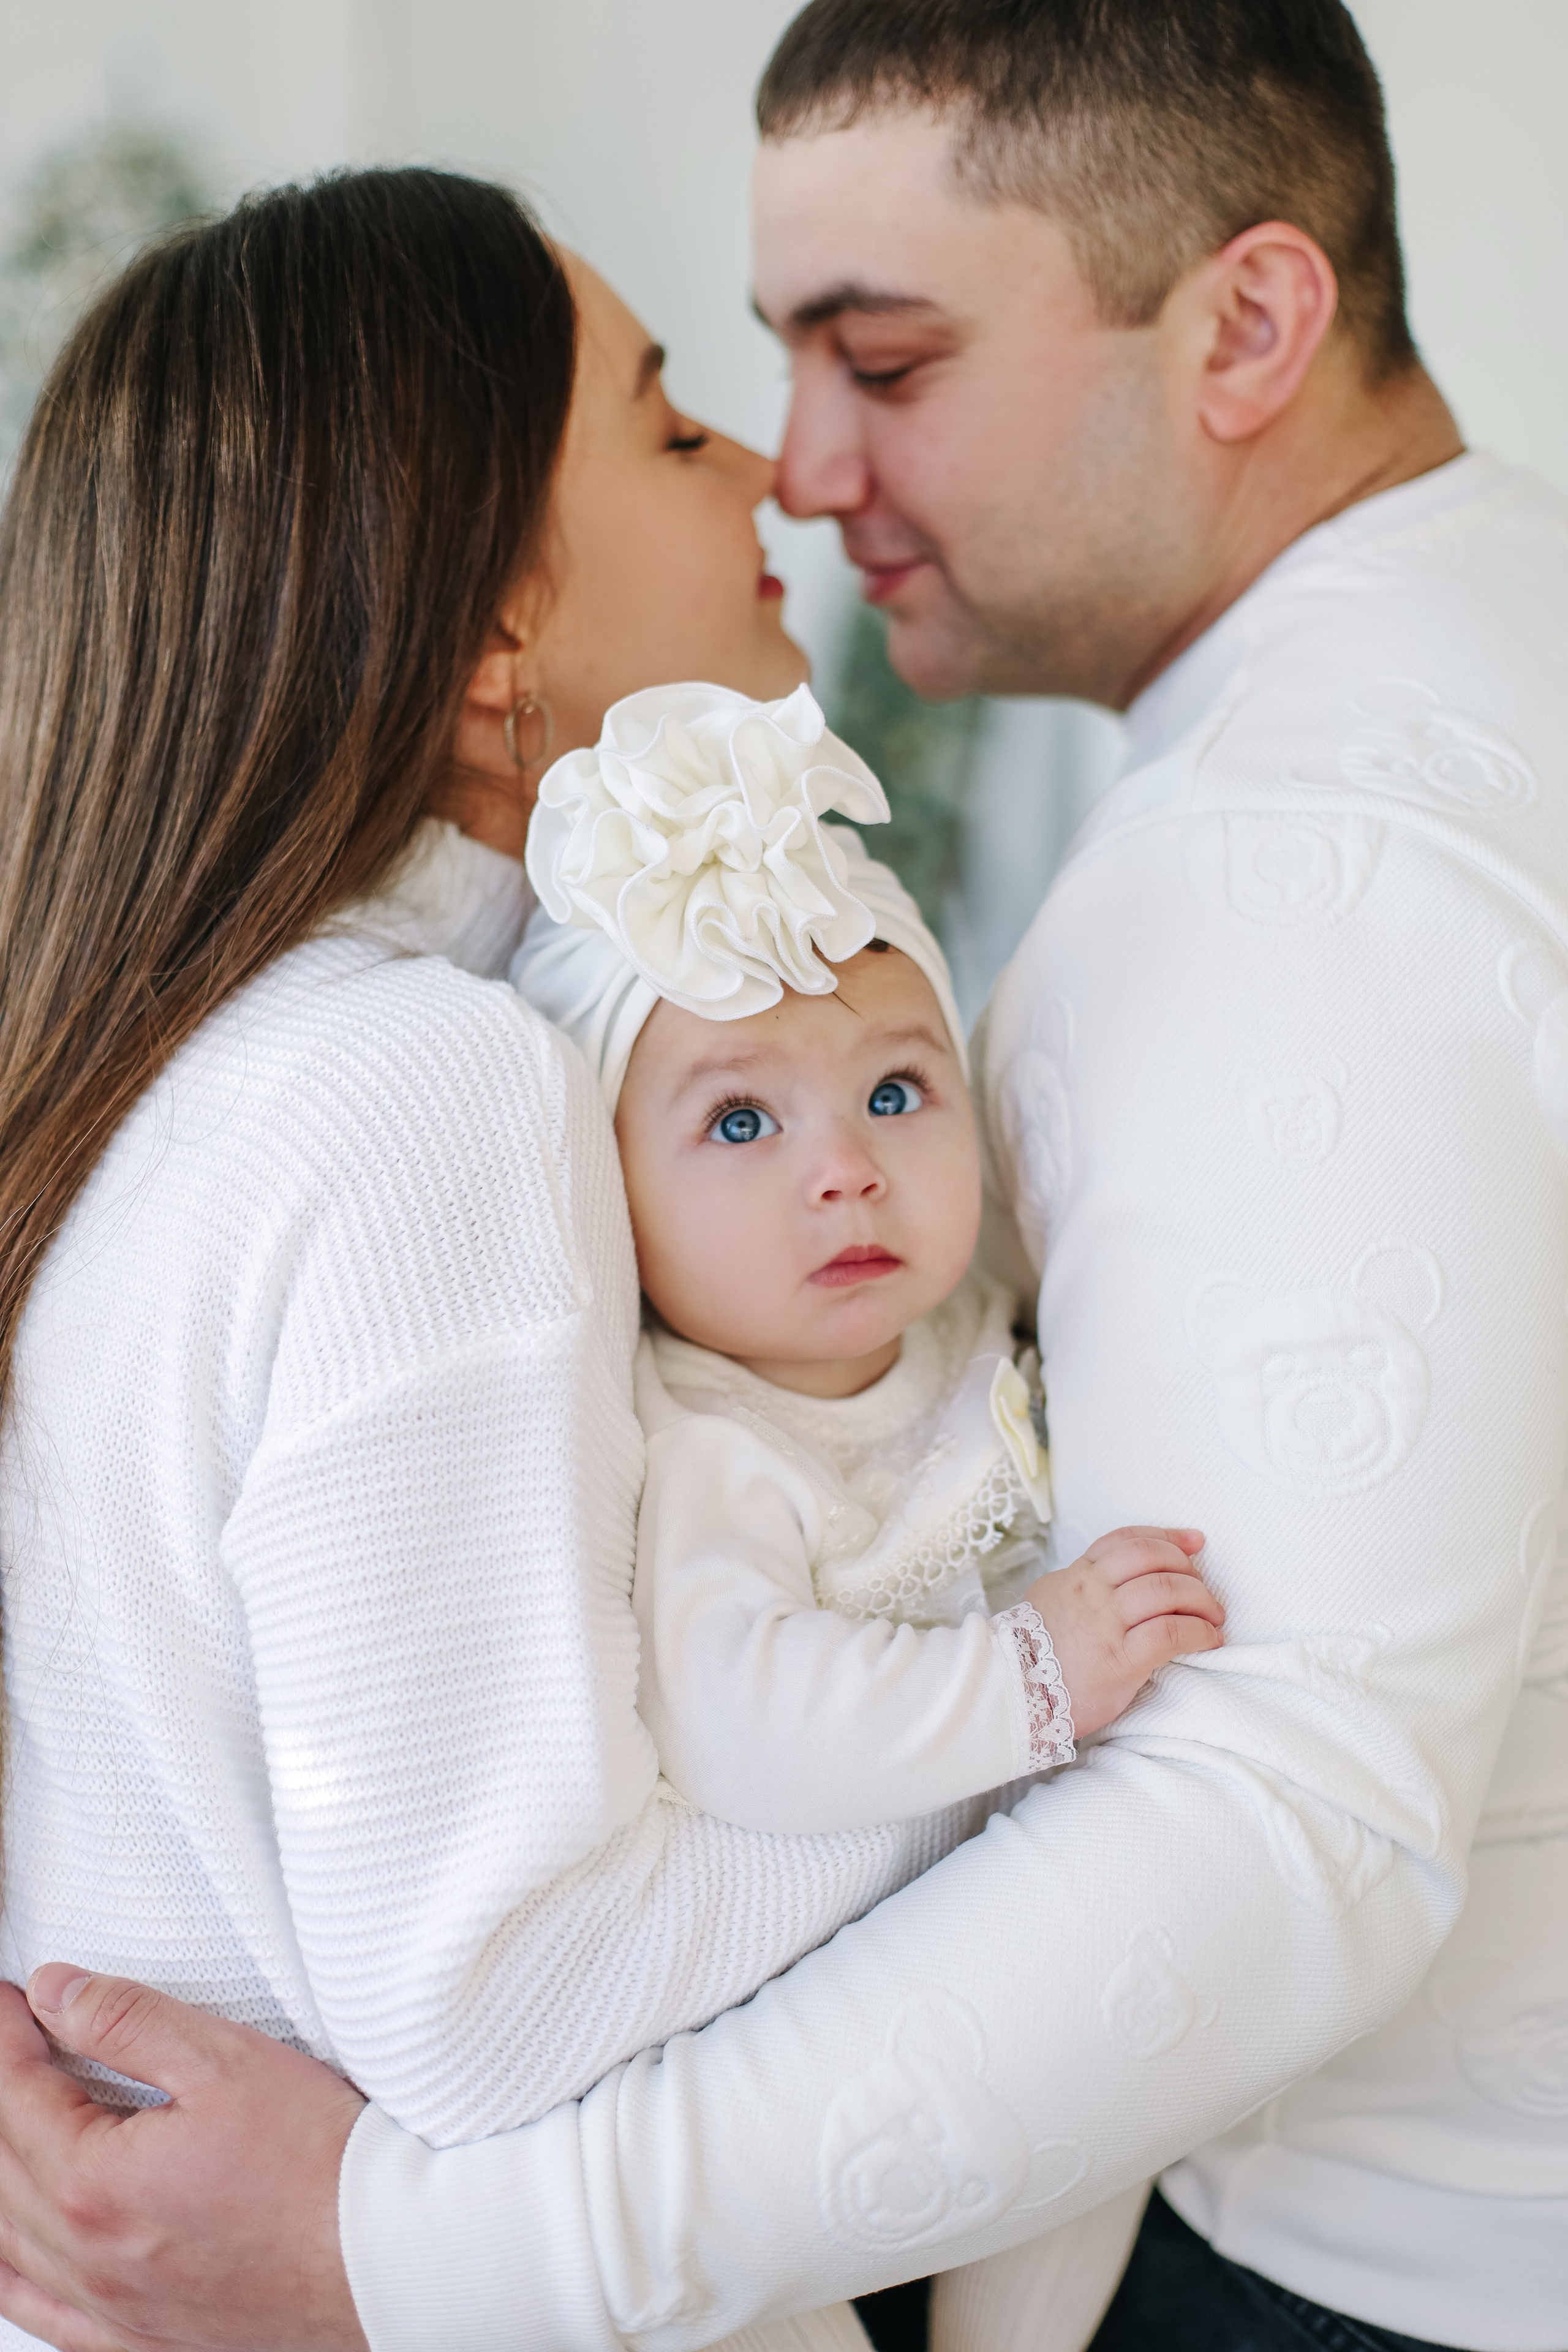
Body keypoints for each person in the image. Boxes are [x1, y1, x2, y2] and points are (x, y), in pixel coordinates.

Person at [0, 4, 1564, 2351]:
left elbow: (1285, 1823)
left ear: (1248, 322)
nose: (793, 469)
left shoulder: (1288, 863)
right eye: (704, 398)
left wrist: (399, 2245)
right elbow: (488, 1956)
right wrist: (1020, 1710)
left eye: (889, 359)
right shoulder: (418, 1084)